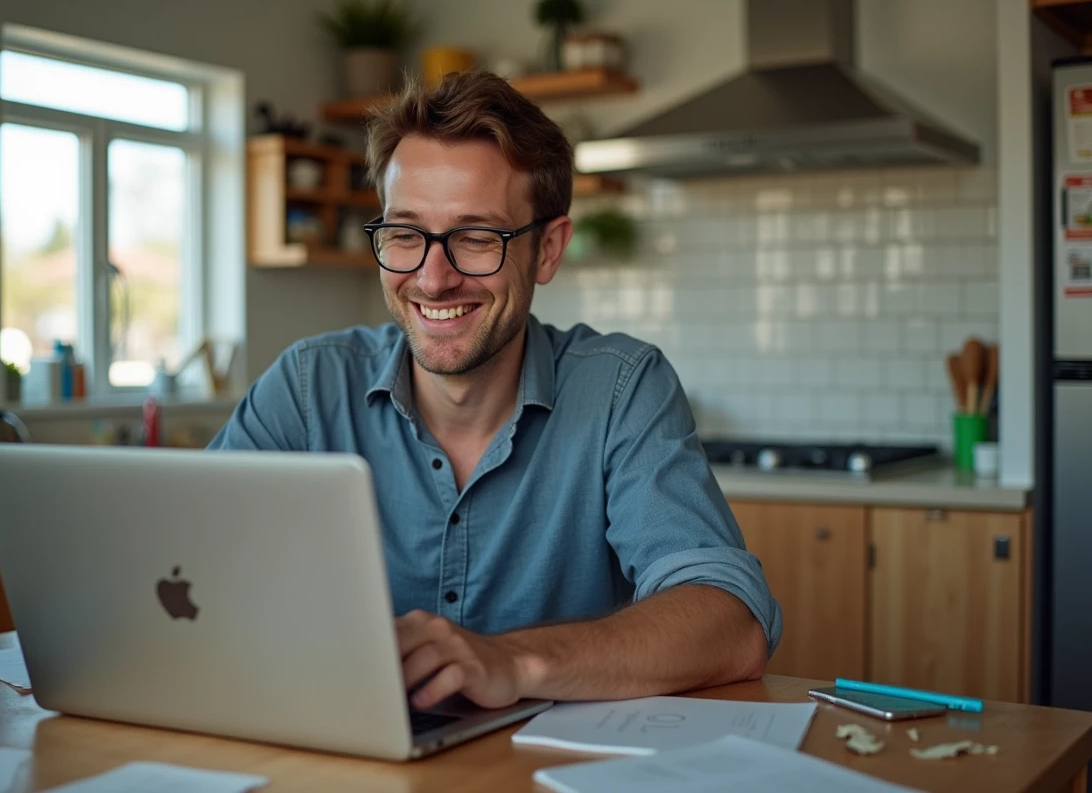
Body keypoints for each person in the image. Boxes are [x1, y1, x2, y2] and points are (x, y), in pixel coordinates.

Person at [209, 70, 781, 712]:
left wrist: (511, 660)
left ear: (547, 250)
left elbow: (730, 621)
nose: (432, 278)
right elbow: (185, 564)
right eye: (405, 234)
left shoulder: (620, 388)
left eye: (475, 237)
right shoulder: (308, 386)